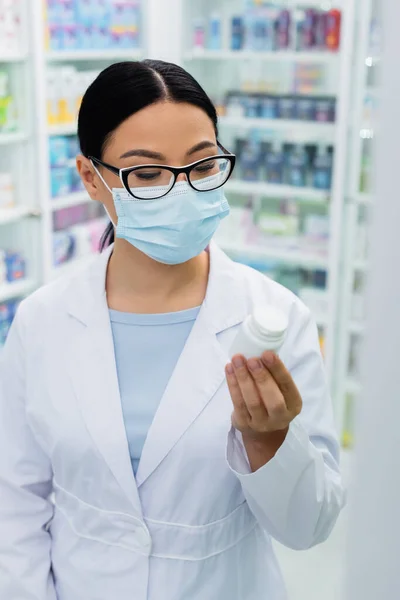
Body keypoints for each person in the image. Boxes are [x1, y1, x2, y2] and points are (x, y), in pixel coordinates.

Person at [0, 60, 344, 600]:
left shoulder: (276, 317)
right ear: (92, 178)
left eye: (202, 165)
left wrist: (269, 441)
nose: (181, 191)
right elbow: (14, 505)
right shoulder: (43, 321)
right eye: (148, 173)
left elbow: (308, 527)